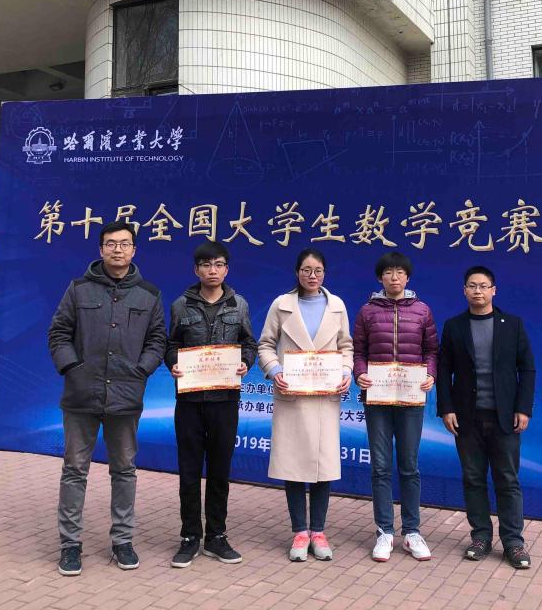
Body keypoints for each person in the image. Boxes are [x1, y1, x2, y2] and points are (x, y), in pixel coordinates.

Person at [48, 222, 166, 576]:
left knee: (125, 470)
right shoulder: (79, 289)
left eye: (124, 244)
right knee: (74, 470)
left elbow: (157, 340)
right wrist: (73, 368)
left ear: (134, 250)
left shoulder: (149, 294)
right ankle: (70, 545)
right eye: (111, 244)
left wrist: (140, 371)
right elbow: (59, 333)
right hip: (81, 395)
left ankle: (123, 541)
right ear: (100, 249)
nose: (118, 250)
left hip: (125, 397)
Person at [436, 265, 536, 570]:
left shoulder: (512, 325)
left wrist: (523, 408)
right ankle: (480, 537)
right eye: (472, 286)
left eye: (483, 286)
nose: (477, 291)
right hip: (467, 418)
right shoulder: (454, 326)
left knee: (507, 480)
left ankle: (513, 542)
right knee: (473, 479)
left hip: (505, 418)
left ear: (494, 290)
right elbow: (444, 370)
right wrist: (446, 408)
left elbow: (527, 368)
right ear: (464, 290)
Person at [257, 248, 354, 562]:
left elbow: (346, 346)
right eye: (306, 270)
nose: (312, 276)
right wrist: (275, 370)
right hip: (293, 397)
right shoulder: (281, 305)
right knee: (294, 464)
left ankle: (319, 532)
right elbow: (265, 344)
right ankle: (300, 531)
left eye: (318, 270)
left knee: (324, 466)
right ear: (297, 272)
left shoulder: (337, 305)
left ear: (325, 273)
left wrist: (346, 371)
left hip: (324, 397)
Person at [165, 241, 257, 568]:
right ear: (196, 270)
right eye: (206, 265)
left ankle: (216, 536)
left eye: (218, 265)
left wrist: (246, 362)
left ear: (226, 269)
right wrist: (173, 363)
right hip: (189, 400)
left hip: (225, 400)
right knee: (189, 470)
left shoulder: (239, 304)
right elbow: (171, 344)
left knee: (220, 470)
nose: (212, 270)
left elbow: (249, 343)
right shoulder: (181, 305)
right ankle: (190, 536)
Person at [353, 251, 438, 562]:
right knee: (380, 467)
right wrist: (360, 373)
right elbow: (358, 351)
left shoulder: (422, 310)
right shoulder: (367, 311)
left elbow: (431, 350)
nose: (394, 277)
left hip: (411, 399)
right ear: (380, 277)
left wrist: (430, 374)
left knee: (409, 466)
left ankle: (412, 532)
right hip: (377, 399)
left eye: (399, 272)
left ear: (407, 277)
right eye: (388, 272)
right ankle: (385, 531)